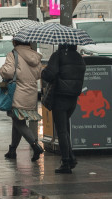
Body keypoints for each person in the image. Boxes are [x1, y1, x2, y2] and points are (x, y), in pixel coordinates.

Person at [41, 44, 86, 174]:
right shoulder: (78, 57)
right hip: (73, 98)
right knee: (65, 128)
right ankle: (70, 158)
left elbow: (49, 74)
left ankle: (66, 162)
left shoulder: (58, 56)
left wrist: (43, 72)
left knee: (61, 130)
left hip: (60, 96)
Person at [0, 38, 44, 162]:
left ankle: (35, 146)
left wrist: (1, 70)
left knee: (19, 123)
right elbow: (39, 74)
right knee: (17, 120)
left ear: (15, 42)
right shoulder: (35, 55)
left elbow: (8, 72)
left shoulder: (13, 54)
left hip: (18, 92)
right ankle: (12, 150)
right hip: (31, 93)